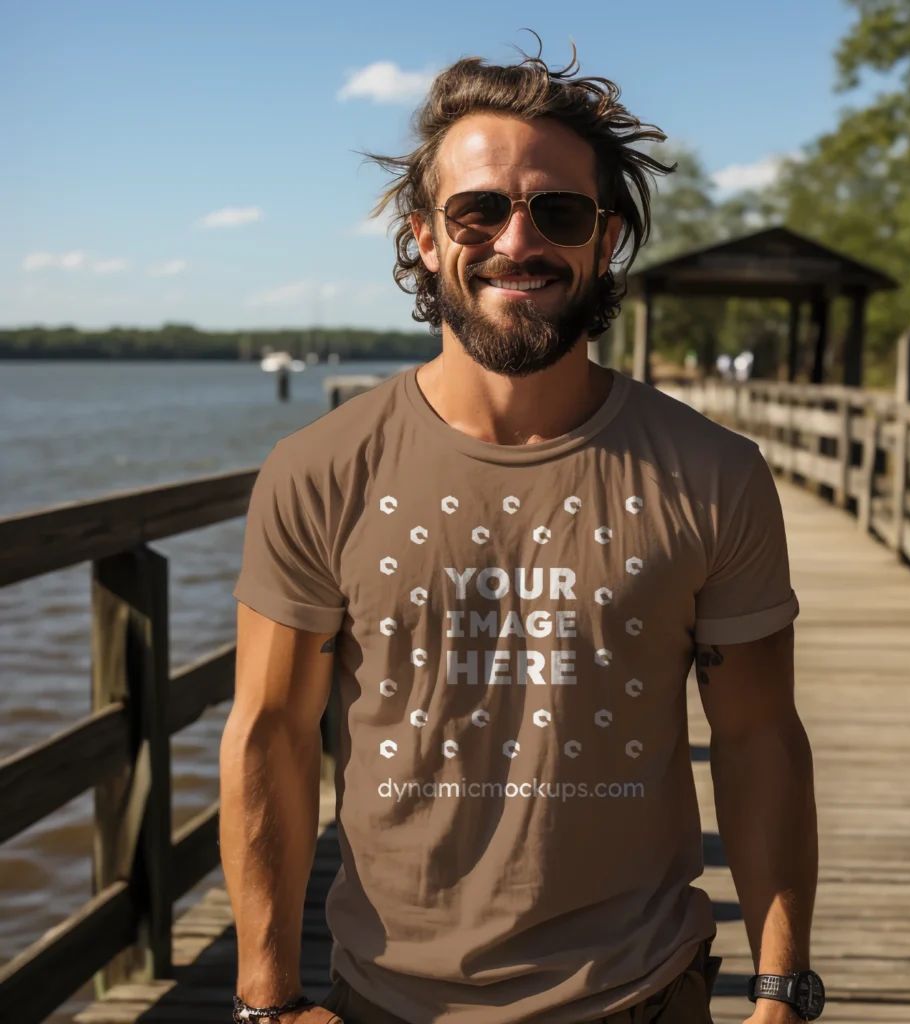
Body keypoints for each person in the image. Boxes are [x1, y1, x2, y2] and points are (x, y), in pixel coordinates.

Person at [223, 37, 820, 1024]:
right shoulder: (320, 470)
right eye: (479, 209)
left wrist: (782, 987)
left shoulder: (715, 476)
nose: (517, 239)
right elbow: (269, 736)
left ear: (605, 236)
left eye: (558, 210)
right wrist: (265, 999)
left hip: (639, 992)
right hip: (384, 997)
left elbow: (759, 736)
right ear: (423, 234)